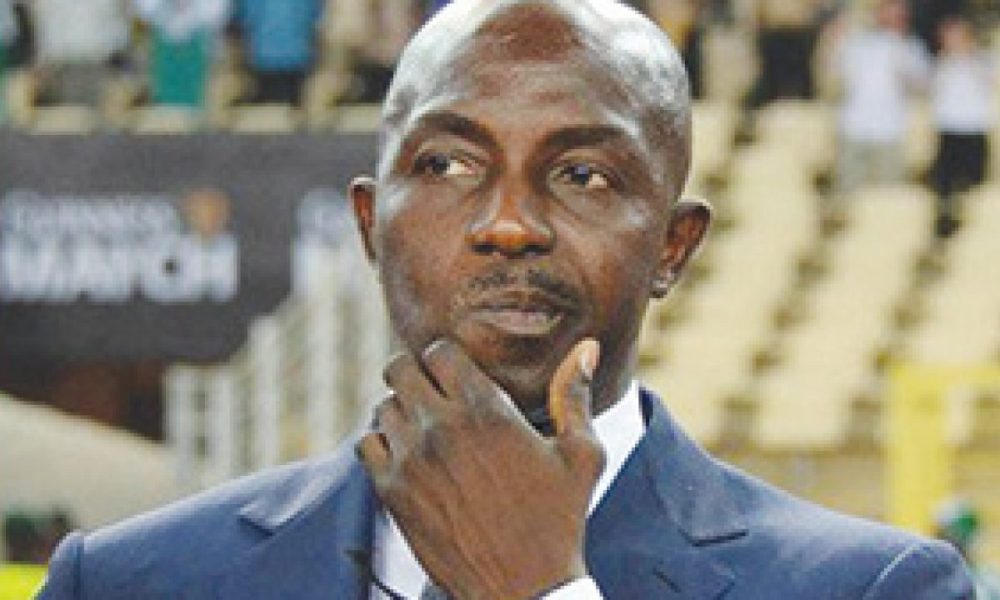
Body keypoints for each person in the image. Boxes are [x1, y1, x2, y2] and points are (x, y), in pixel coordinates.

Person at [38, 1, 973, 598]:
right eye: (447, 165)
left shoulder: (872, 587)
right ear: (370, 226)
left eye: (583, 174)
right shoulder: (126, 582)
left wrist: (542, 593)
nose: (510, 224)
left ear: (673, 247)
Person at [830, 0, 930, 196]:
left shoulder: (912, 47)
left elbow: (923, 85)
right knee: (849, 193)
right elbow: (836, 76)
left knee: (887, 195)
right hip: (854, 127)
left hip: (890, 131)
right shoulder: (857, 42)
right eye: (890, 12)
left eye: (900, 14)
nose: (895, 18)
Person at [928, 15, 995, 236]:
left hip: (973, 131)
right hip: (948, 131)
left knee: (974, 186)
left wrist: (969, 57)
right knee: (944, 186)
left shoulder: (983, 60)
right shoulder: (941, 64)